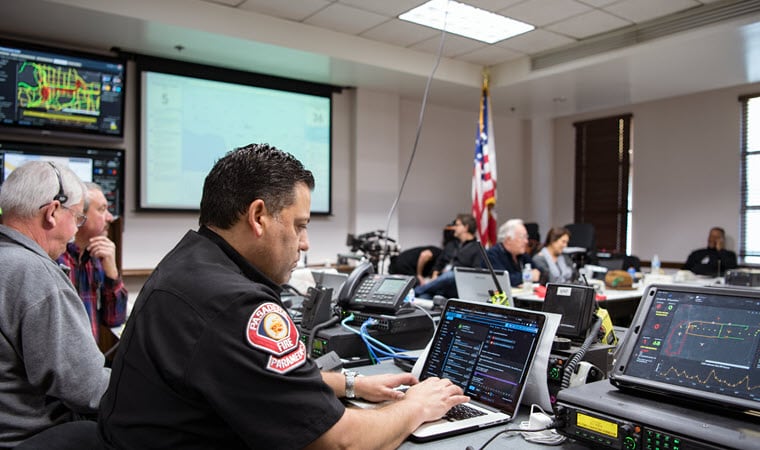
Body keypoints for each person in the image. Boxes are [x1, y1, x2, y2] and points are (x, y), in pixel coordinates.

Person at [98, 144, 468, 449]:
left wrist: (353, 383)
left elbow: (243, 374)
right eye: (299, 225)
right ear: (258, 216)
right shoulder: (238, 305)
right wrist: (417, 406)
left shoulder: (189, 264)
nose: (305, 243)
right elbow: (340, 444)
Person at [0, 161, 110, 448]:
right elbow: (86, 387)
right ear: (51, 213)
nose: (75, 232)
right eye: (76, 218)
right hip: (29, 437)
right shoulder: (35, 274)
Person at [57, 182, 127, 343]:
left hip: (88, 361)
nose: (110, 217)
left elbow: (115, 319)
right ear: (80, 214)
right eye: (102, 209)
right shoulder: (56, 256)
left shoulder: (96, 256)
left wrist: (112, 274)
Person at [414, 214, 482, 299]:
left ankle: (416, 291)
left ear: (466, 227)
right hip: (439, 284)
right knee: (422, 298)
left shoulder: (478, 249)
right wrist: (435, 273)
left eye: (457, 225)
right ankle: (419, 292)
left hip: (456, 287)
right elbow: (439, 263)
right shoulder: (451, 245)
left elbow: (476, 274)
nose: (454, 228)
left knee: (451, 274)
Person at [483, 219, 540, 288]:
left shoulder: (522, 255)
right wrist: (527, 276)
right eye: (522, 237)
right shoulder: (492, 255)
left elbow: (537, 273)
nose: (526, 241)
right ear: (508, 240)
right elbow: (502, 280)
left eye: (526, 237)